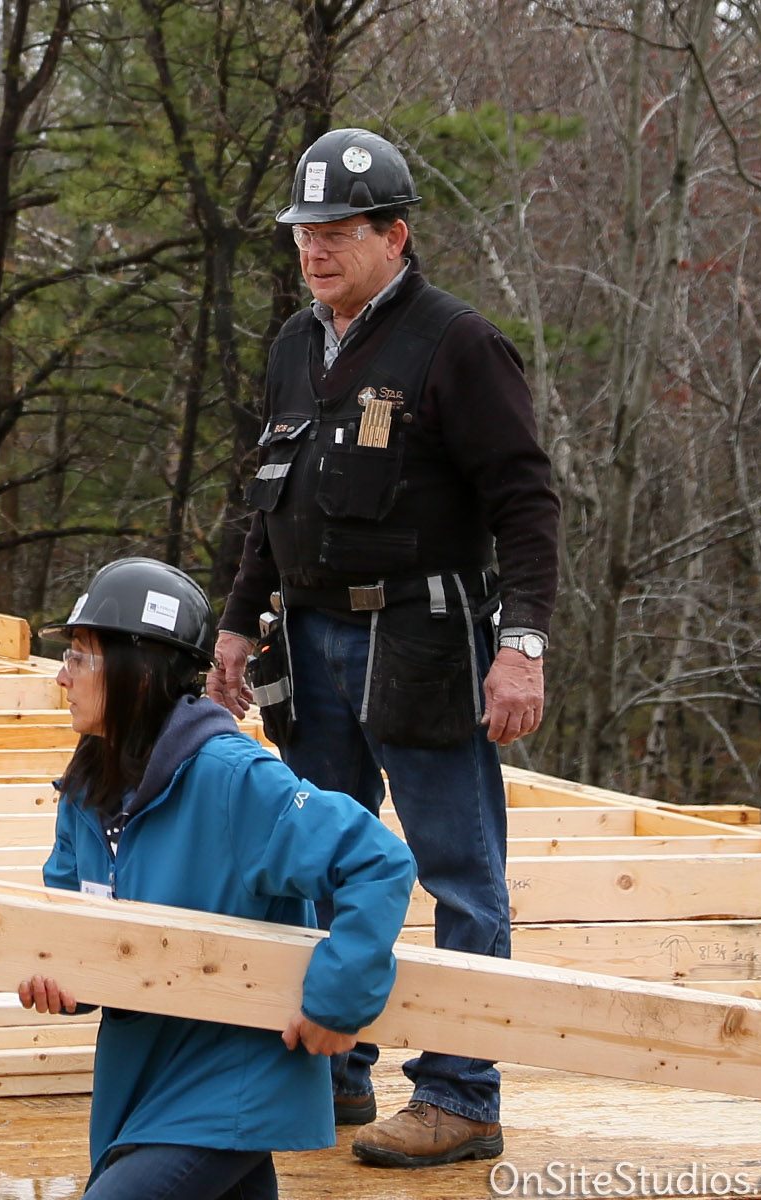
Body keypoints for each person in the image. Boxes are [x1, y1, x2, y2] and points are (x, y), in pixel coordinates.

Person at [205, 128, 561, 1168]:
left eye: (338, 231)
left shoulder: (457, 344)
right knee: (323, 854)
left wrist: (522, 646)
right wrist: (238, 622)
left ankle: (461, 1094)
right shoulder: (294, 345)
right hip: (312, 636)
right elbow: (269, 502)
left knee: (459, 870)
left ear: (395, 236)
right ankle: (335, 1063)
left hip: (425, 637)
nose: (315, 250)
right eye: (304, 233)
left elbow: (527, 502)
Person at [18, 557, 416, 1200]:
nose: (62, 676)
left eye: (80, 657)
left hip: (235, 1075)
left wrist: (339, 1001)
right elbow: (75, 927)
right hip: (142, 1076)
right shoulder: (87, 791)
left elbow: (379, 862)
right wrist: (62, 978)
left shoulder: (234, 780)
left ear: (140, 671)